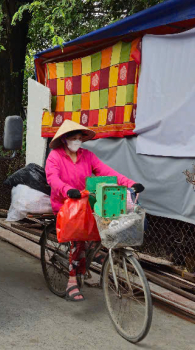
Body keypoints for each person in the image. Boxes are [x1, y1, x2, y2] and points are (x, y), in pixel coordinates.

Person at [45, 120, 144, 302]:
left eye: (79, 138)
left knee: (105, 221)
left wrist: (130, 183)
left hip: (86, 202)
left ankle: (91, 252)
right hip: (65, 204)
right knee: (78, 239)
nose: (77, 141)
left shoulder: (88, 156)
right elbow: (53, 178)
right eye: (73, 138)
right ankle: (72, 281)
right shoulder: (55, 157)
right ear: (65, 139)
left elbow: (107, 172)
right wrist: (67, 190)